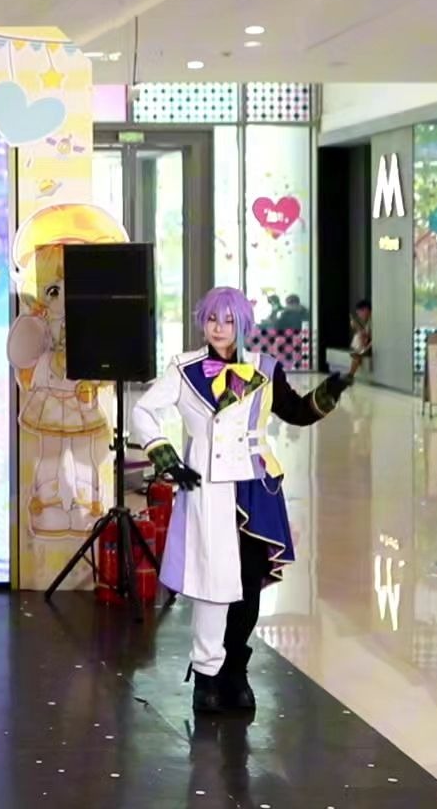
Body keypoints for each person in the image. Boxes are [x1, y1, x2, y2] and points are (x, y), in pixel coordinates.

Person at [132, 287, 351, 716]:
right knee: (213, 587)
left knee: (248, 584)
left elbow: (297, 412)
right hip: (208, 487)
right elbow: (143, 411)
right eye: (213, 319)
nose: (219, 328)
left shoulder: (265, 369)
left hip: (255, 488)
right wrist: (166, 457)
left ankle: (236, 669)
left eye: (229, 321)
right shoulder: (184, 368)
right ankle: (206, 675)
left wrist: (332, 390)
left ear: (243, 325)